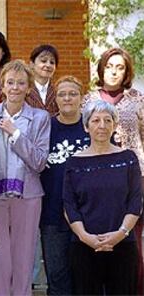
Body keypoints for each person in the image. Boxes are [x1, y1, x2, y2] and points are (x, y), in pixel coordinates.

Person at [0, 59, 50, 296]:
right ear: (2, 86)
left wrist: (15, 133)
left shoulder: (40, 117)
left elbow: (39, 162)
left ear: (29, 87)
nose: (16, 87)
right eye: (10, 82)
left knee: (23, 257)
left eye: (21, 83)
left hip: (28, 194)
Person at [63, 99, 143, 295]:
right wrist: (85, 237)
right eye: (96, 120)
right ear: (86, 126)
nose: (102, 126)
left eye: (108, 120)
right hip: (84, 245)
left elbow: (135, 202)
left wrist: (120, 234)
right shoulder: (74, 163)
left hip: (123, 243)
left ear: (115, 126)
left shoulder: (128, 159)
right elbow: (69, 205)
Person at [84, 47, 144, 294]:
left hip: (132, 178)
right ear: (102, 68)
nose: (114, 72)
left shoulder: (138, 99)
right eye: (110, 66)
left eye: (120, 67)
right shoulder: (88, 100)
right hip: (96, 180)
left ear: (126, 72)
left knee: (131, 242)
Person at [40, 76, 90, 295]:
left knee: (86, 275)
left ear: (82, 98)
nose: (67, 98)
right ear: (55, 99)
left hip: (89, 214)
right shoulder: (45, 128)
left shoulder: (92, 126)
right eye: (62, 94)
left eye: (73, 93)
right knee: (57, 275)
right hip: (52, 213)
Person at [26, 44, 59, 115]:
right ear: (32, 64)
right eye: (43, 61)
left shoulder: (58, 91)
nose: (48, 65)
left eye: (52, 62)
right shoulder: (24, 90)